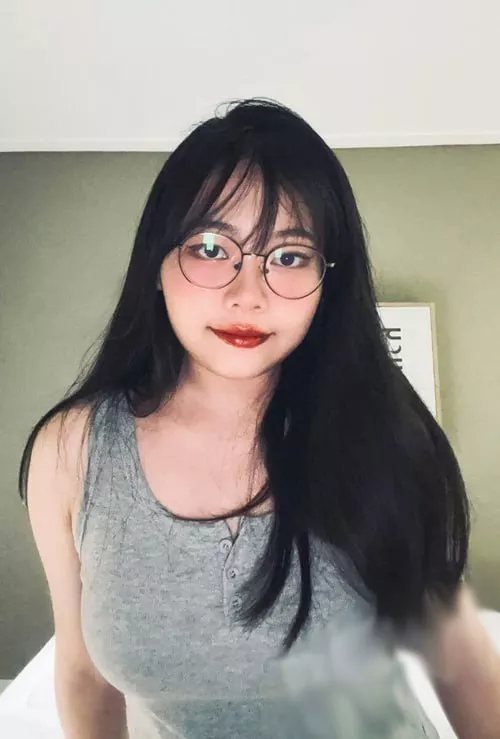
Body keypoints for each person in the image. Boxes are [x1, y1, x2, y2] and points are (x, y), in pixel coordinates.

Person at [19, 98, 500, 739]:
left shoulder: (386, 433)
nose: (248, 295)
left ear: (328, 282)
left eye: (290, 256)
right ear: (156, 265)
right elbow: (83, 674)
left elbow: (460, 659)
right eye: (211, 248)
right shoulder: (73, 452)